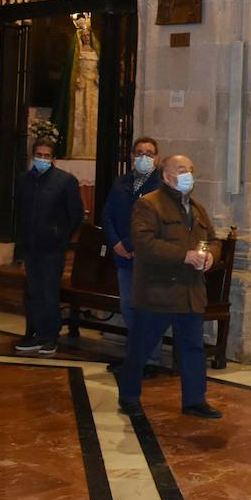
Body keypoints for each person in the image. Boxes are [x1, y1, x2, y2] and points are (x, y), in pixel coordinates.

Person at [116, 155, 223, 419]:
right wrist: (183, 255)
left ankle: (195, 400)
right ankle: (129, 396)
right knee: (141, 347)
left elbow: (212, 239)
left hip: (190, 292)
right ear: (166, 176)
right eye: (181, 169)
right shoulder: (148, 205)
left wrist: (210, 256)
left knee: (193, 349)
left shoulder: (196, 208)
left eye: (190, 169)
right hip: (158, 291)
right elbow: (143, 243)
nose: (188, 174)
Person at [13, 137, 85, 355]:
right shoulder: (24, 180)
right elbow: (20, 213)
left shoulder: (65, 181)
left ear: (53, 158)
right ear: (33, 156)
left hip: (52, 247)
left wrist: (61, 237)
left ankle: (51, 336)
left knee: (49, 293)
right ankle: (36, 334)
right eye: (39, 155)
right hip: (30, 246)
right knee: (34, 292)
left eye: (46, 156)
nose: (42, 159)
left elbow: (76, 215)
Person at [101, 136, 165, 376]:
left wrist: (130, 243)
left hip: (147, 258)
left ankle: (151, 359)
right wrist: (116, 243)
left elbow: (155, 221)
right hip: (123, 257)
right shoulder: (121, 183)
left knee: (147, 309)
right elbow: (107, 215)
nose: (144, 157)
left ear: (156, 158)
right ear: (131, 156)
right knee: (128, 308)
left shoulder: (161, 186)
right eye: (139, 152)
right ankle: (134, 358)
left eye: (149, 153)